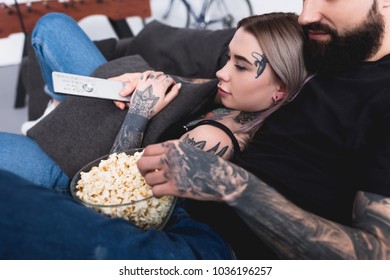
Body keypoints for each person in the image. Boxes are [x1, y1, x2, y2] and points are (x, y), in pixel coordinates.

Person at [0, 12, 307, 259]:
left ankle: (58, 115)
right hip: (123, 110)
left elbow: (119, 195)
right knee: (51, 26)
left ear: (280, 91)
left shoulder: (216, 141)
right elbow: (197, 85)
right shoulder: (234, 97)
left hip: (91, 153)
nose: (222, 73)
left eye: (240, 66)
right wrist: (152, 80)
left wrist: (139, 113)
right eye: (227, 58)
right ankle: (59, 105)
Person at [137, 0, 390, 259]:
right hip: (184, 218)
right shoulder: (332, 47)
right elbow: (251, 73)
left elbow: (378, 259)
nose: (305, 16)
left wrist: (229, 182)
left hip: (221, 250)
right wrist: (166, 83)